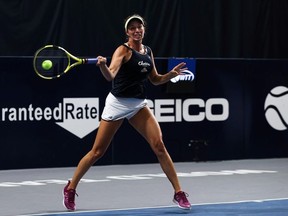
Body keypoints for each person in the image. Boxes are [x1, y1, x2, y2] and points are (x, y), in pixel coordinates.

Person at [63, 14, 191, 211]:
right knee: (97, 152)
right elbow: (111, 75)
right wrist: (103, 66)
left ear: (143, 29)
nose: (137, 30)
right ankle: (70, 188)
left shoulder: (148, 51)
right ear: (127, 32)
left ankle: (178, 192)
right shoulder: (122, 50)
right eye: (132, 28)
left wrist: (170, 75)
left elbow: (155, 79)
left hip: (138, 105)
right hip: (117, 104)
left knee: (159, 146)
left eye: (139, 27)